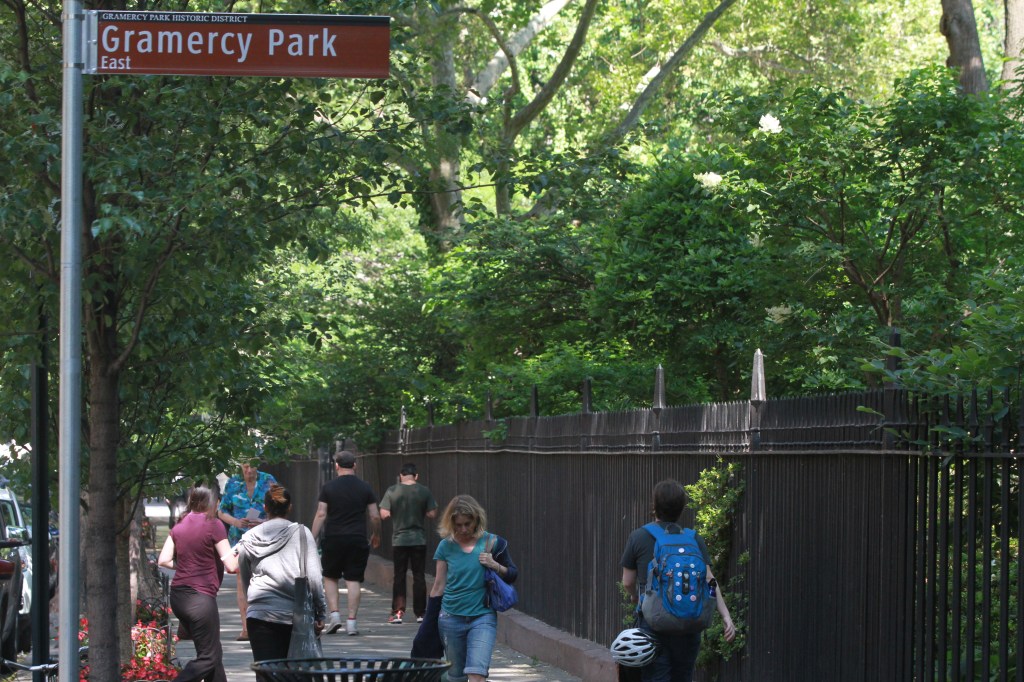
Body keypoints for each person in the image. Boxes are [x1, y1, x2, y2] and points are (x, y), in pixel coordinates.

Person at [619, 479, 736, 682]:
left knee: (656, 676)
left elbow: (628, 582)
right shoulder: (693, 539)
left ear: (654, 506)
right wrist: (726, 615)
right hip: (688, 625)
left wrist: (634, 598)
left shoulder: (638, 537)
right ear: (682, 509)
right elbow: (709, 580)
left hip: (654, 624)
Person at [430, 494, 518, 682]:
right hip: (450, 618)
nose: (463, 529)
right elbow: (438, 585)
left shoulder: (493, 543)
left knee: (477, 674)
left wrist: (495, 565)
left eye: (467, 524)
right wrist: (429, 621)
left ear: (477, 520)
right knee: (456, 677)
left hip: (482, 616)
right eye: (458, 525)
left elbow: (513, 574)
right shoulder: (445, 546)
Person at [235, 484, 327, 662]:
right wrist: (320, 612)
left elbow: (245, 576)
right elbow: (315, 577)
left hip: (259, 616)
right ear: (289, 507)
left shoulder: (249, 537)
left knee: (266, 673)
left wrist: (252, 602)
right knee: (293, 673)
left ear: (265, 508)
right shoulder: (302, 534)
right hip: (293, 616)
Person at [158, 485, 238, 682]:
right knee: (209, 657)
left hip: (178, 597)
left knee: (213, 653)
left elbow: (164, 560)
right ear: (212, 503)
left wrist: (186, 565)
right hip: (200, 600)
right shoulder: (214, 524)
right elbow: (231, 566)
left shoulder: (179, 525)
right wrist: (244, 549)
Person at [311, 450, 381, 635]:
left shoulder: (328, 487)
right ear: (355, 466)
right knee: (353, 579)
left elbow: (321, 514)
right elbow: (374, 515)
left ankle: (334, 616)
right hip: (357, 538)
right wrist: (376, 533)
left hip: (333, 537)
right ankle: (352, 622)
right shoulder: (365, 487)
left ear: (336, 466)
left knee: (330, 576)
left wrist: (311, 538)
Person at [217, 459, 278, 640]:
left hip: (265, 538)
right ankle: (246, 628)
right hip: (239, 539)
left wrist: (264, 521)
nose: (248, 470)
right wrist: (236, 522)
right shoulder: (233, 483)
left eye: (252, 466)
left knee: (266, 580)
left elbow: (280, 508)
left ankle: (265, 624)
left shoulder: (269, 481)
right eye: (245, 466)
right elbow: (222, 512)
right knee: (241, 581)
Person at [379, 462, 438, 624]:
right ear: (416, 476)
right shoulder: (424, 491)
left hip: (399, 540)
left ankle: (398, 612)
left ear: (401, 475)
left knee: (399, 575)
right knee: (419, 576)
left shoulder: (392, 491)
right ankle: (421, 614)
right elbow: (432, 513)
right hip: (419, 539)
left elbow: (383, 514)